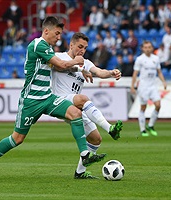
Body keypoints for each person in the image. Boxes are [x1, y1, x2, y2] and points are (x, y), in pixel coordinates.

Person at [0, 16, 105, 180]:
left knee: (75, 113)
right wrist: (78, 62)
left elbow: (60, 68)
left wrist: (80, 70)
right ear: (46, 31)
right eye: (57, 33)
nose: (59, 37)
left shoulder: (48, 48)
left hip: (47, 97)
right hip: (31, 100)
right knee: (17, 138)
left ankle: (85, 154)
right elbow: (61, 65)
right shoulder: (38, 44)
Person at [51, 32, 123, 179]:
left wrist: (111, 72)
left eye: (85, 48)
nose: (82, 50)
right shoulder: (60, 57)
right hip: (60, 101)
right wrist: (79, 68)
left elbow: (99, 72)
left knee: (96, 139)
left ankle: (80, 172)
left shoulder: (86, 62)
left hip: (75, 105)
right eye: (80, 46)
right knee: (83, 98)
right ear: (71, 45)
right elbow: (58, 67)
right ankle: (110, 129)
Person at [131, 41, 167, 137]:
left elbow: (159, 72)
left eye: (149, 47)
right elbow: (135, 74)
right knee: (143, 107)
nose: (148, 49)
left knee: (158, 105)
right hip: (143, 86)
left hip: (153, 86)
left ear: (152, 48)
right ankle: (143, 129)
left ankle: (150, 125)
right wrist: (132, 86)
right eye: (146, 47)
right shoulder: (140, 59)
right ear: (142, 48)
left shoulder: (156, 58)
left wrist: (163, 81)